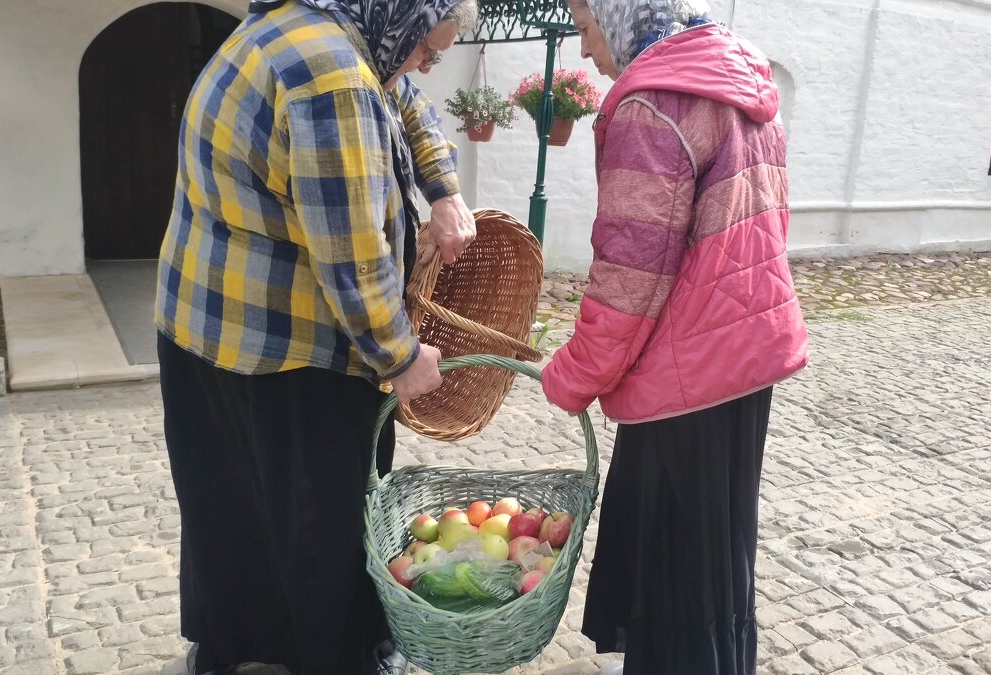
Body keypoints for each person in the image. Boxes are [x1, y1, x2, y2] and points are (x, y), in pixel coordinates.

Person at [153, 0, 479, 672]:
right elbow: (351, 253)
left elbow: (407, 101)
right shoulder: (332, 77)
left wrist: (443, 189)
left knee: (230, 503)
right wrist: (400, 356)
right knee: (323, 520)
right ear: (401, 18)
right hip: (288, 348)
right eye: (427, 49)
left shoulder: (308, 29)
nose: (423, 65)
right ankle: (337, 658)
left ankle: (232, 648)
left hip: (202, 321)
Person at [540, 1, 809, 673]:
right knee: (714, 549)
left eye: (585, 27)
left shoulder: (653, 102)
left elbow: (630, 278)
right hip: (744, 356)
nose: (585, 51)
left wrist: (573, 374)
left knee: (676, 562)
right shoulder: (742, 82)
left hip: (685, 373)